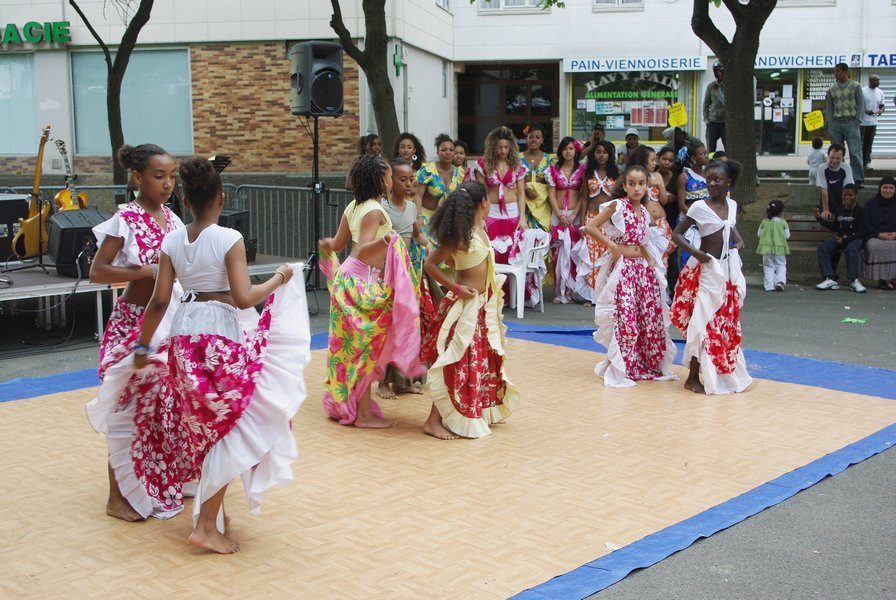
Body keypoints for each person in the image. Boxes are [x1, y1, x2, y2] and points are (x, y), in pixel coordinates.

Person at [133, 156, 310, 554]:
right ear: (221, 197)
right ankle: (207, 524)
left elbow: (161, 300)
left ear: (184, 197)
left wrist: (143, 346)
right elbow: (245, 296)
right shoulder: (229, 238)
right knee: (230, 425)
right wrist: (280, 277)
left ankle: (213, 513)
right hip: (217, 339)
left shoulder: (172, 240)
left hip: (183, 335)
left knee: (206, 428)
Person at [86, 143, 184, 523]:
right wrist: (141, 273)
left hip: (166, 321)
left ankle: (153, 481)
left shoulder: (173, 220)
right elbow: (98, 272)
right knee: (124, 407)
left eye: (172, 176)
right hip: (132, 325)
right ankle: (116, 496)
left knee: (160, 408)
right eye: (159, 176)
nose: (167, 183)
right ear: (138, 177)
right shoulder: (126, 217)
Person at [319, 155, 425, 428]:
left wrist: (326, 245)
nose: (392, 180)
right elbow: (361, 249)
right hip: (360, 283)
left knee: (358, 349)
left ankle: (360, 407)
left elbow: (338, 242)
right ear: (380, 180)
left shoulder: (355, 206)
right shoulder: (374, 211)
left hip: (349, 278)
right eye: (389, 175)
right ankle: (363, 414)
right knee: (367, 348)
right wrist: (387, 239)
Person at [421, 181, 520, 439]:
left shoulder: (480, 229)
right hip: (463, 307)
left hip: (480, 307)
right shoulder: (461, 236)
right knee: (456, 361)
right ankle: (433, 420)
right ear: (483, 203)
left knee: (477, 360)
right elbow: (430, 264)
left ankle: (478, 406)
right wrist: (455, 286)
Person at [584, 164, 677, 388]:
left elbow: (643, 242)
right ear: (624, 185)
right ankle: (621, 366)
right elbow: (591, 226)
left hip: (642, 270)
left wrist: (654, 266)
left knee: (648, 317)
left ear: (647, 186)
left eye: (641, 184)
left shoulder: (644, 211)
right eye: (632, 184)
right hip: (624, 270)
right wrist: (612, 246)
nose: (636, 188)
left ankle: (644, 364)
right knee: (626, 319)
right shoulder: (617, 206)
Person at [670, 159, 751, 395]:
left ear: (730, 182)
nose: (712, 184)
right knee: (702, 322)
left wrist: (738, 241)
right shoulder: (699, 208)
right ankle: (692, 376)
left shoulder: (732, 205)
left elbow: (729, 225)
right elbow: (677, 235)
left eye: (718, 180)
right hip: (707, 271)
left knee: (722, 322)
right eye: (709, 180)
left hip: (726, 270)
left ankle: (718, 371)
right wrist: (696, 253)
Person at [382, 158, 435, 396]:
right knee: (389, 325)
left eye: (411, 178)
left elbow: (416, 234)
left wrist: (430, 246)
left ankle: (403, 381)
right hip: (390, 271)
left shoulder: (413, 207)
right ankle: (383, 382)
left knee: (409, 325)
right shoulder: (382, 208)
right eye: (402, 179)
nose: (408, 183)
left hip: (410, 270)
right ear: (390, 181)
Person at [472, 126, 528, 264]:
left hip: (513, 212)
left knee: (513, 250)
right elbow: (481, 193)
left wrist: (523, 218)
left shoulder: (517, 165)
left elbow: (521, 193)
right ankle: (494, 284)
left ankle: (513, 285)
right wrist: (481, 218)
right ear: (492, 147)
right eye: (499, 147)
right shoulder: (482, 164)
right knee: (491, 250)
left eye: (506, 147)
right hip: (491, 212)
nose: (503, 151)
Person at [572, 140, 619, 306]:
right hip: (592, 218)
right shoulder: (588, 173)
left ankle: (607, 295)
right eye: (598, 152)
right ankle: (592, 296)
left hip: (610, 220)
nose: (601, 155)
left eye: (605, 152)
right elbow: (584, 198)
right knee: (591, 257)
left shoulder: (616, 173)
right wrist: (582, 221)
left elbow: (619, 200)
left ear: (610, 155)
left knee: (607, 257)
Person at [627, 145, 675, 294]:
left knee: (663, 260)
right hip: (647, 224)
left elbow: (664, 201)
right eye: (652, 160)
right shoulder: (636, 178)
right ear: (642, 160)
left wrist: (659, 184)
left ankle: (662, 293)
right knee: (648, 259)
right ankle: (647, 292)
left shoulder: (658, 176)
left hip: (662, 222)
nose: (655, 163)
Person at [546, 136, 585, 303]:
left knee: (574, 252)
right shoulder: (553, 170)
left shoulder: (583, 170)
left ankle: (573, 290)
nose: (568, 152)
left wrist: (574, 215)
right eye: (565, 148)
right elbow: (551, 194)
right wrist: (560, 214)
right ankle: (560, 291)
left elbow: (584, 194)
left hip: (574, 215)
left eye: (570, 148)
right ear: (560, 151)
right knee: (558, 253)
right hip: (559, 214)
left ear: (576, 150)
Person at [814, 184, 867, 293]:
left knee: (851, 250)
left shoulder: (861, 211)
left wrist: (846, 239)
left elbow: (862, 232)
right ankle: (829, 278)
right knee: (823, 247)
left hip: (854, 239)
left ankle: (854, 280)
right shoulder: (840, 210)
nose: (847, 197)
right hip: (839, 238)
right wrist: (819, 218)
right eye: (844, 195)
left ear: (856, 196)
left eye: (850, 195)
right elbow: (834, 226)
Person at [824, 63, 864, 186]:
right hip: (836, 123)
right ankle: (838, 176)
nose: (836, 74)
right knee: (837, 152)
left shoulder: (856, 86)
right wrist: (829, 123)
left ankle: (858, 179)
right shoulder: (832, 89)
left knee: (855, 151)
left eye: (838, 71)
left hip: (851, 122)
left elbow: (861, 104)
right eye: (835, 71)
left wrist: (857, 120)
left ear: (845, 72)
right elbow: (829, 107)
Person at [414, 134, 464, 233]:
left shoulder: (458, 173)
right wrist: (419, 217)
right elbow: (417, 195)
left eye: (451, 150)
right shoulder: (428, 170)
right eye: (444, 150)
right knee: (425, 247)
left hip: (445, 218)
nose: (448, 153)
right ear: (438, 152)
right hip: (425, 215)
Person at [676, 141, 710, 268]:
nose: (705, 156)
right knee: (689, 255)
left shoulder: (709, 175)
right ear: (693, 158)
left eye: (706, 153)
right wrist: (694, 220)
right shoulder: (685, 176)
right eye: (701, 154)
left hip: (707, 221)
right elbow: (681, 204)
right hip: (689, 222)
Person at [519, 124, 557, 232]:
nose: (533, 140)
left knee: (543, 237)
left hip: (543, 203)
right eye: (531, 137)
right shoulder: (517, 158)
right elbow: (512, 180)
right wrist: (525, 189)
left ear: (542, 140)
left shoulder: (550, 159)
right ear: (526, 139)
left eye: (537, 137)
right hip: (523, 203)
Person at [861, 176, 896, 289]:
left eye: (891, 188)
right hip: (875, 236)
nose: (887, 190)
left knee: (893, 246)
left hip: (894, 236)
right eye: (885, 187)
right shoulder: (871, 204)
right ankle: (883, 278)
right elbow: (865, 224)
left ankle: (892, 279)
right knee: (874, 246)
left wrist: (895, 234)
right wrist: (878, 234)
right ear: (880, 188)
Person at [756, 200, 790, 292]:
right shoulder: (783, 223)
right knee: (781, 265)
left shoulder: (764, 222)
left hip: (766, 248)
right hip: (780, 248)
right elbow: (787, 236)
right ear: (781, 212)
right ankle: (780, 282)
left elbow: (759, 234)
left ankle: (768, 285)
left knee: (768, 266)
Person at [816, 143, 855, 221]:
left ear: (842, 158)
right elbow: (824, 189)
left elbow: (848, 189)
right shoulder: (822, 168)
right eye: (832, 157)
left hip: (842, 204)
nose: (834, 161)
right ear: (828, 156)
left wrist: (845, 210)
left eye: (838, 158)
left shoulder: (846, 168)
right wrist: (826, 210)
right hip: (828, 204)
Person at [860, 74, 886, 169]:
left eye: (878, 80)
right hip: (862, 122)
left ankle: (866, 162)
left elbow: (882, 106)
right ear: (870, 81)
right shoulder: (862, 91)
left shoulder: (880, 92)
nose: (878, 82)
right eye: (876, 80)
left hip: (873, 122)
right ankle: (859, 162)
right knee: (860, 143)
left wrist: (880, 111)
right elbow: (858, 106)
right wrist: (866, 111)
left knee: (869, 142)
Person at [703, 62, 727, 153]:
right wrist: (706, 120)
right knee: (711, 149)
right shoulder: (711, 86)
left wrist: (718, 92)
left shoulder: (731, 86)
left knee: (729, 148)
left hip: (725, 123)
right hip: (712, 122)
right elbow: (706, 104)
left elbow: (727, 103)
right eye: (718, 71)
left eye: (722, 71)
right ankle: (711, 165)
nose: (720, 73)